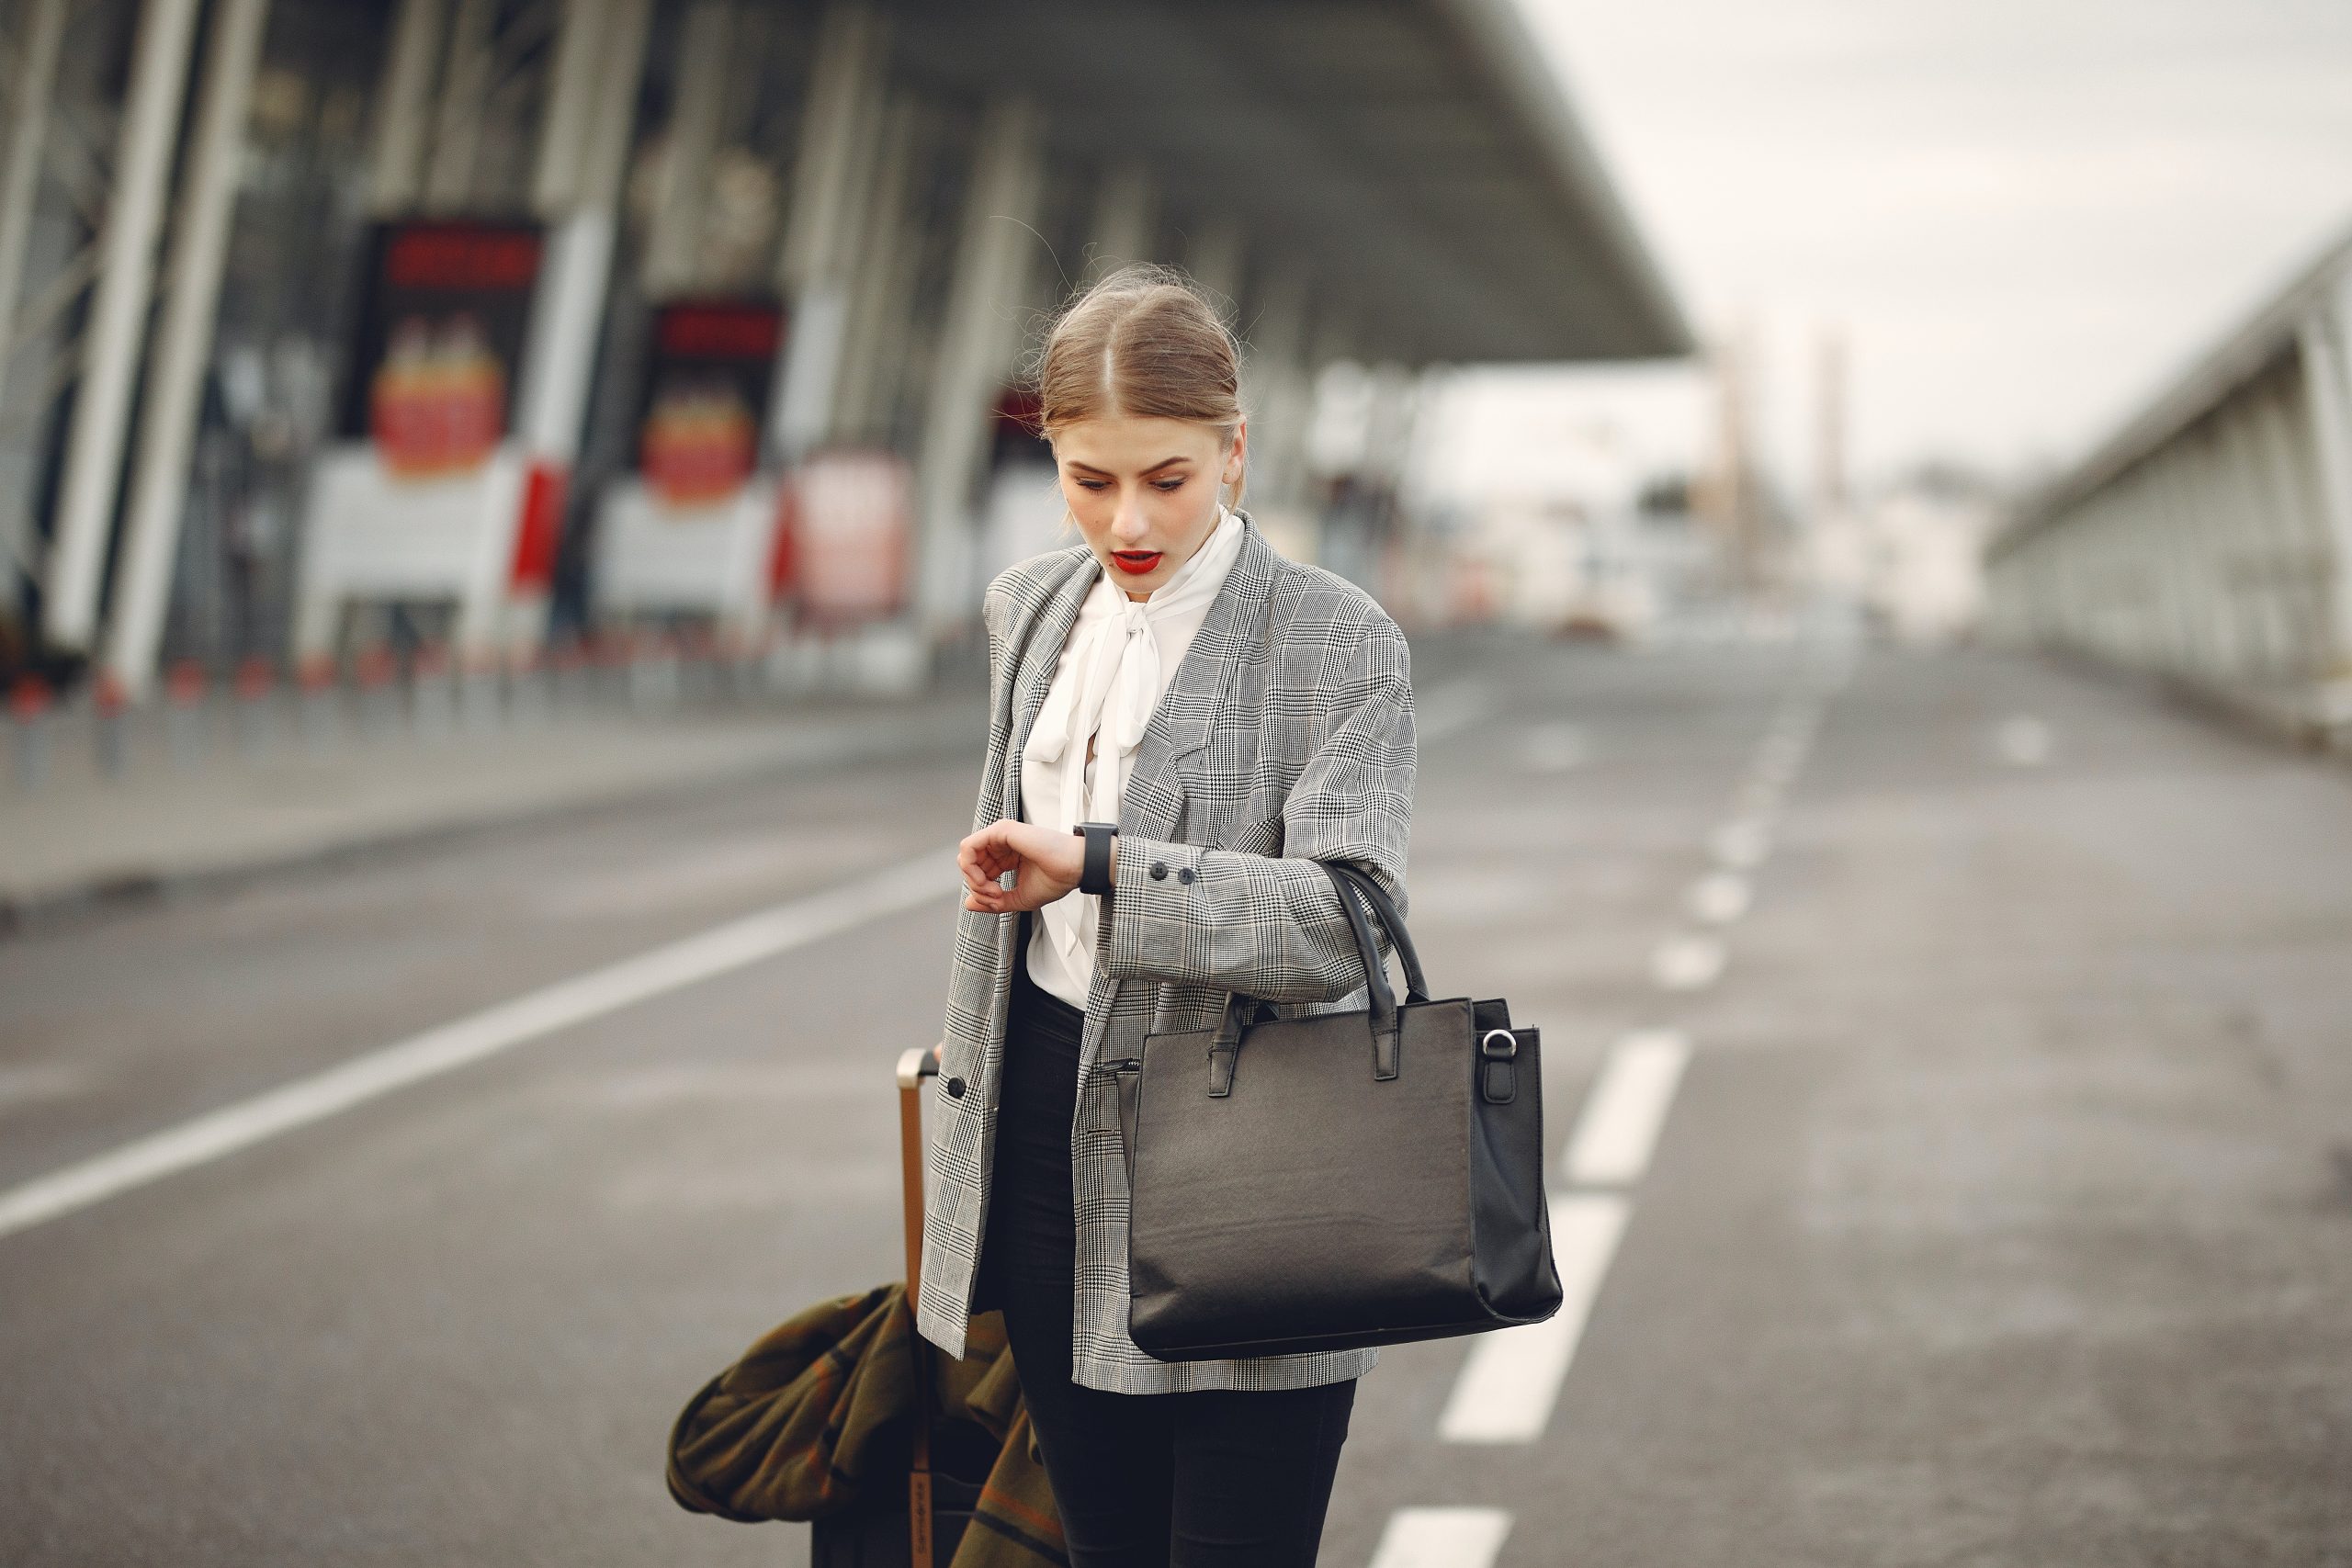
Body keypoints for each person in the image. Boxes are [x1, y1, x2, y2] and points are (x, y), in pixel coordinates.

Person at [914, 264, 1417, 1566]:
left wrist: (1100, 864)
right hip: (1042, 1147)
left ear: (1235, 453)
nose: (1127, 517)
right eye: (1091, 479)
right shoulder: (1028, 609)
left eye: (1168, 478)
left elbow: (1337, 925)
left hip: (1255, 1164)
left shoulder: (1335, 642)